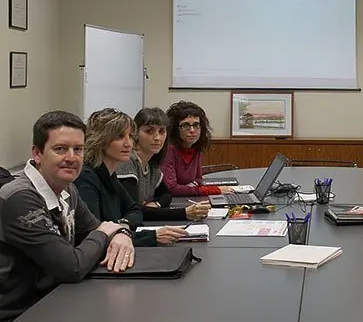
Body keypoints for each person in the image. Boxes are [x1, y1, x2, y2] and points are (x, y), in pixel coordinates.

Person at [0, 111, 134, 321]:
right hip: (21, 313)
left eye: (78, 149)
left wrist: (120, 232)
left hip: (57, 301)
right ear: (37, 153)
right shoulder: (20, 198)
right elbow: (71, 266)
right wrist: (107, 230)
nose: (71, 158)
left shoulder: (67, 189)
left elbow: (96, 228)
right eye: (60, 149)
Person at [74, 109, 188, 246]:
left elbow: (135, 210)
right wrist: (150, 237)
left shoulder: (109, 174)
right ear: (100, 140)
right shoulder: (86, 177)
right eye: (120, 137)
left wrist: (124, 227)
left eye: (130, 136)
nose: (128, 144)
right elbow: (94, 235)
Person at [116, 107, 211, 221]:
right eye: (149, 131)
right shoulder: (128, 162)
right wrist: (184, 213)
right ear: (135, 133)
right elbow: (133, 211)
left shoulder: (152, 164)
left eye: (161, 131)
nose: (157, 138)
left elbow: (166, 195)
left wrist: (155, 205)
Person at [161, 101, 233, 197]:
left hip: (187, 199)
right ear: (175, 128)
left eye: (196, 125)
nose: (192, 130)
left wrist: (191, 187)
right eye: (185, 125)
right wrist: (215, 190)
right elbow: (172, 188)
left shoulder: (195, 146)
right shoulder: (168, 150)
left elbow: (198, 179)